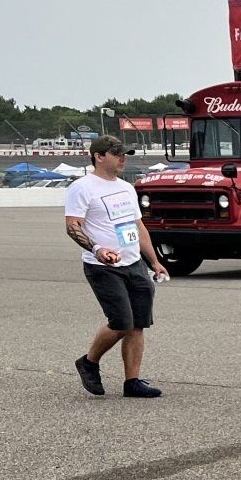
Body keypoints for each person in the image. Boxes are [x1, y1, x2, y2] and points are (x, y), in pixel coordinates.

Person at [65, 136, 169, 397]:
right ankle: (89, 362)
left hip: (134, 263)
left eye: (125, 154)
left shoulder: (126, 188)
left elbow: (137, 226)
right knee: (122, 321)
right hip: (103, 267)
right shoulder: (82, 187)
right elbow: (72, 225)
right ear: (99, 157)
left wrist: (154, 261)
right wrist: (97, 249)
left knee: (138, 324)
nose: (123, 158)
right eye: (117, 154)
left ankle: (132, 382)